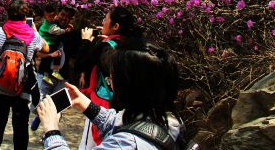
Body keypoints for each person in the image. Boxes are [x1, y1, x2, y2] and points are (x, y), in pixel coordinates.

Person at [37, 40, 183, 150]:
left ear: (128, 86)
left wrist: (52, 130)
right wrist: (85, 104)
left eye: (111, 78)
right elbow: (121, 123)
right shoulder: (169, 120)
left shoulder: (123, 144)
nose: (110, 83)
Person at [0, 0, 50, 150]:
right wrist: (34, 31)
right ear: (24, 17)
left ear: (8, 15)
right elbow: (46, 48)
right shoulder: (33, 36)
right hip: (23, 87)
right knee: (21, 126)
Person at [75, 6, 141, 149]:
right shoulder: (131, 45)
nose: (103, 22)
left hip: (102, 105)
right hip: (123, 107)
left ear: (115, 26)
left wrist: (86, 41)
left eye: (106, 19)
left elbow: (80, 64)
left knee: (90, 145)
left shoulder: (105, 48)